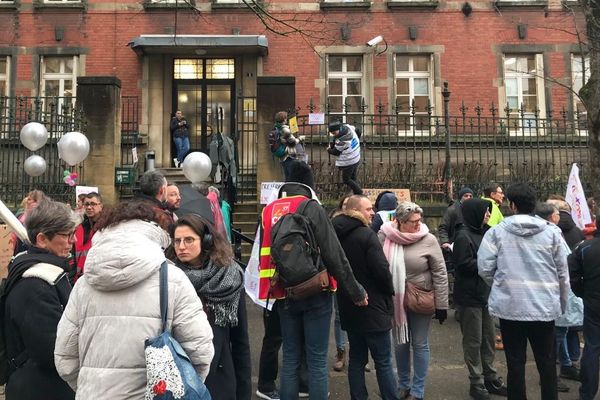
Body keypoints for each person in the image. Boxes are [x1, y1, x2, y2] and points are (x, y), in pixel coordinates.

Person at [54, 201, 214, 399]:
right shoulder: (174, 279)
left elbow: (65, 358)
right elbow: (200, 351)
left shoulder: (83, 285)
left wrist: (90, 387)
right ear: (155, 232)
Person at [258, 182, 368, 400]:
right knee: (317, 359)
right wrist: (355, 291)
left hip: (285, 292)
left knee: (290, 357)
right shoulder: (311, 208)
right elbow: (333, 252)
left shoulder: (268, 211)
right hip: (316, 290)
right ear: (308, 194)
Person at [478, 183, 570, 400]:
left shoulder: (496, 233)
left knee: (515, 365)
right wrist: (561, 303)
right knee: (547, 364)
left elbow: (484, 268)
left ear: (512, 205)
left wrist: (503, 285)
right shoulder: (552, 233)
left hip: (511, 307)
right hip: (545, 307)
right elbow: (563, 274)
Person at [3, 200, 81, 400]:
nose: (72, 241)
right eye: (66, 235)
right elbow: (51, 350)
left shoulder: (48, 273)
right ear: (42, 239)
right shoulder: (35, 284)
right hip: (40, 389)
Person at [169, 214, 251, 400]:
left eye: (189, 240)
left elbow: (240, 342)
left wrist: (244, 393)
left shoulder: (228, 278)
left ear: (206, 241)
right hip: (179, 376)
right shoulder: (168, 278)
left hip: (220, 375)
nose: (181, 246)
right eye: (177, 241)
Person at [378, 201, 449, 400]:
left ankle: (418, 390)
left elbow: (440, 272)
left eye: (419, 220)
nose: (418, 225)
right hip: (394, 298)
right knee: (400, 342)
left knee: (419, 342)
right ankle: (403, 384)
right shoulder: (384, 236)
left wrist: (442, 304)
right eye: (412, 222)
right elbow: (377, 267)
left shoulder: (428, 239)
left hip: (420, 298)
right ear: (400, 222)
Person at [332, 195, 399, 400]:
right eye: (368, 209)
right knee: (384, 361)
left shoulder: (335, 234)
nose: (372, 212)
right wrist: (389, 292)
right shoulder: (367, 235)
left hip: (349, 305)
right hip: (374, 306)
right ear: (355, 211)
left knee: (356, 360)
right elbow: (381, 270)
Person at [452, 198, 507, 400]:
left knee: (488, 339)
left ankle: (490, 377)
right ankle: (476, 382)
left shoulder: (484, 233)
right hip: (469, 296)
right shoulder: (462, 236)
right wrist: (488, 262)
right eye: (485, 211)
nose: (487, 215)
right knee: (473, 341)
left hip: (484, 294)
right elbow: (463, 265)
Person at [568, 216, 600, 400]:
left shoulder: (584, 247)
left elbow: (570, 272)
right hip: (592, 299)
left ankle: (587, 394)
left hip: (593, 302)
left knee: (592, 347)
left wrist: (582, 292)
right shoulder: (584, 246)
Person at [72, 192, 103, 282]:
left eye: (93, 204)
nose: (89, 207)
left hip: (98, 275)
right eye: (86, 204)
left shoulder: (107, 228)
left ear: (101, 206)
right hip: (79, 277)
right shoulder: (79, 227)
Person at [327, 120, 362, 195]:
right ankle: (357, 195)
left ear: (339, 129)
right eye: (331, 133)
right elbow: (358, 130)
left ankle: (359, 193)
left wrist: (329, 150)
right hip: (356, 156)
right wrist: (357, 139)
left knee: (346, 179)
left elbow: (336, 152)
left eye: (334, 133)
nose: (333, 134)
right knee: (353, 178)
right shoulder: (348, 127)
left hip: (349, 160)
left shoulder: (343, 140)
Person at [271, 111, 303, 181]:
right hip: (288, 156)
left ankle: (286, 191)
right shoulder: (285, 129)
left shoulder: (276, 128)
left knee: (287, 177)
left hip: (282, 157)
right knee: (291, 178)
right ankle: (289, 191)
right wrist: (300, 139)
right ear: (284, 120)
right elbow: (293, 142)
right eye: (286, 118)